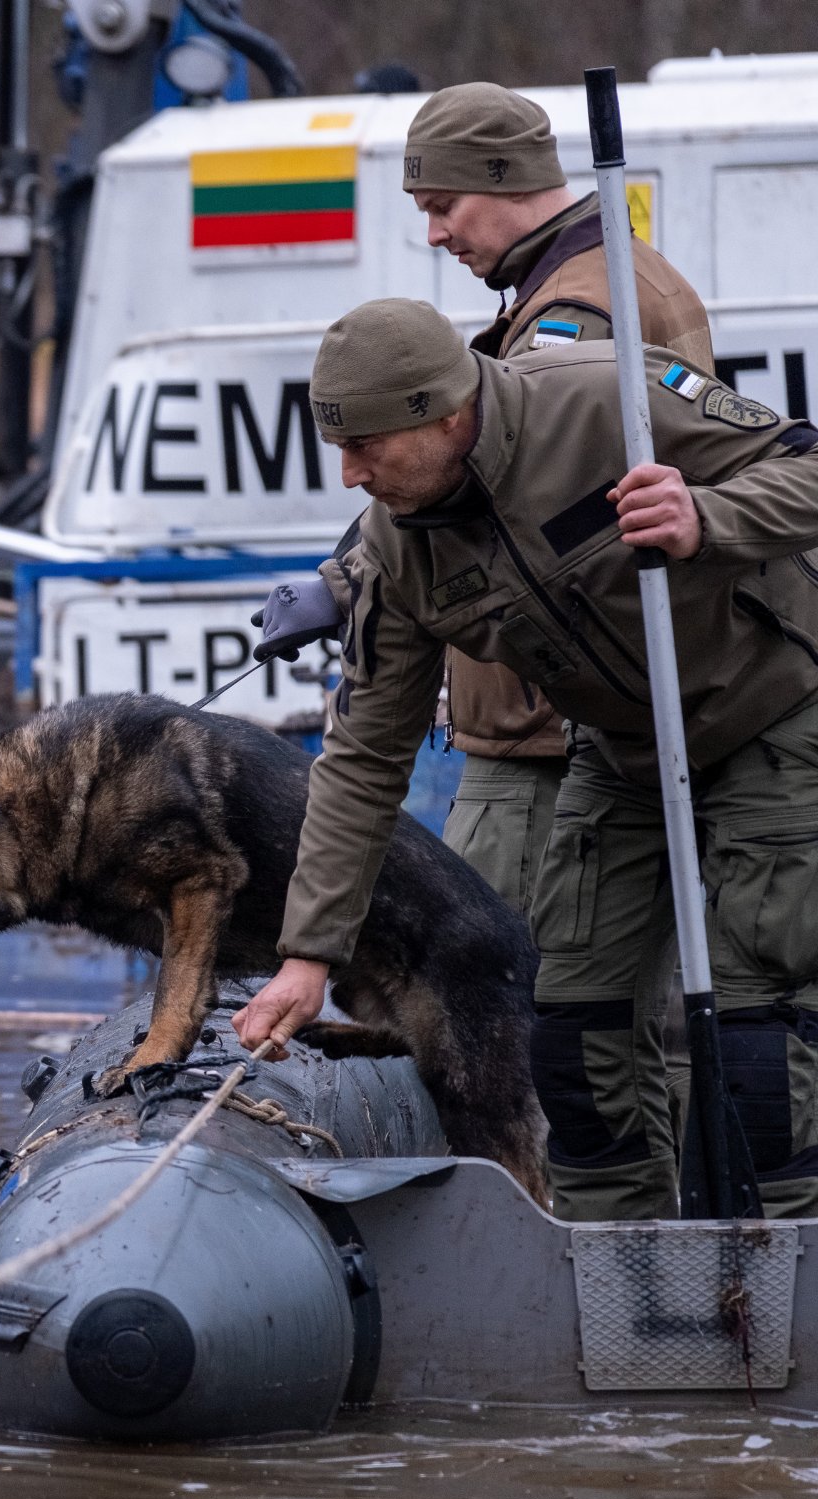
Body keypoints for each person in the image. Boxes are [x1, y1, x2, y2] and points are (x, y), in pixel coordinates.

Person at [235, 298, 818, 1221]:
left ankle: (785, 1271)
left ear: (444, 414)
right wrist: (308, 954)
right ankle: (615, 1265)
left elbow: (810, 470)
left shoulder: (610, 398)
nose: (350, 477)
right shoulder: (396, 554)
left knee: (757, 1031)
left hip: (776, 709)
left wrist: (709, 514)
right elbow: (361, 763)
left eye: (368, 448)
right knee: (569, 1028)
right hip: (624, 747)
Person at [402, 81, 712, 915]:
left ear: (505, 178)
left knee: (502, 990)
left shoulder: (573, 311)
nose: (435, 234)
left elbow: (528, 504)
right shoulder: (627, 269)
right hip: (590, 705)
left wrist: (366, 579)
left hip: (544, 732)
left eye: (444, 205)